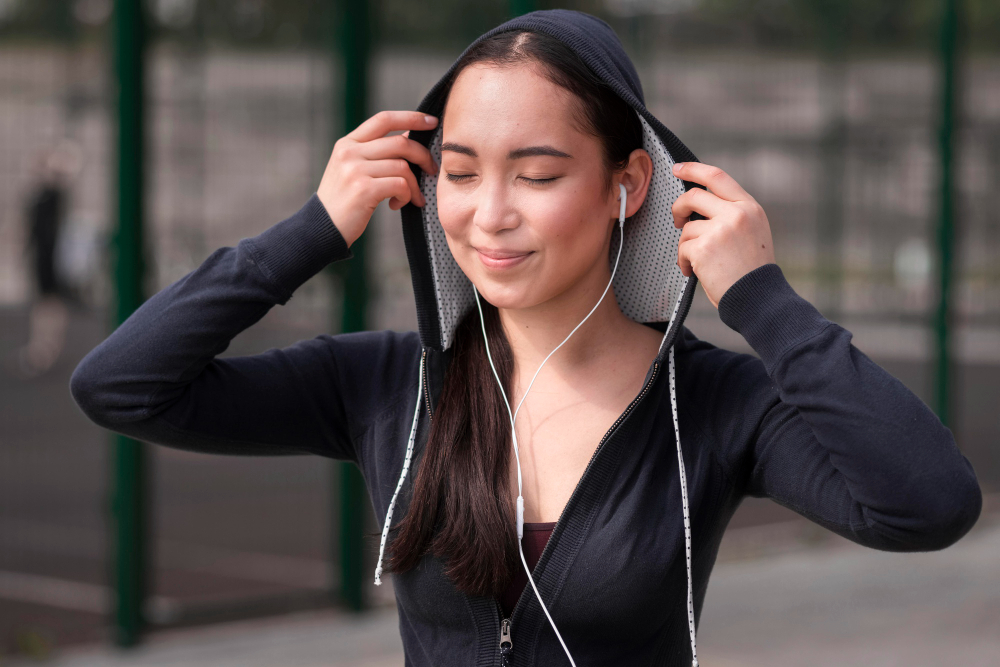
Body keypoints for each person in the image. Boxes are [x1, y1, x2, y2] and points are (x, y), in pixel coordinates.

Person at [70, 10, 982, 666]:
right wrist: (312, 229)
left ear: (627, 184)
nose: (490, 216)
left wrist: (763, 298)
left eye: (537, 174)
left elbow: (928, 504)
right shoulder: (389, 383)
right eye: (460, 174)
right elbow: (123, 384)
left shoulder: (712, 406)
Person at [13, 141, 81, 379]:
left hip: (51, 257)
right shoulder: (41, 195)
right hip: (42, 256)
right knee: (46, 303)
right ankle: (43, 346)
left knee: (49, 303)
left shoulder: (53, 195)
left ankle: (45, 347)